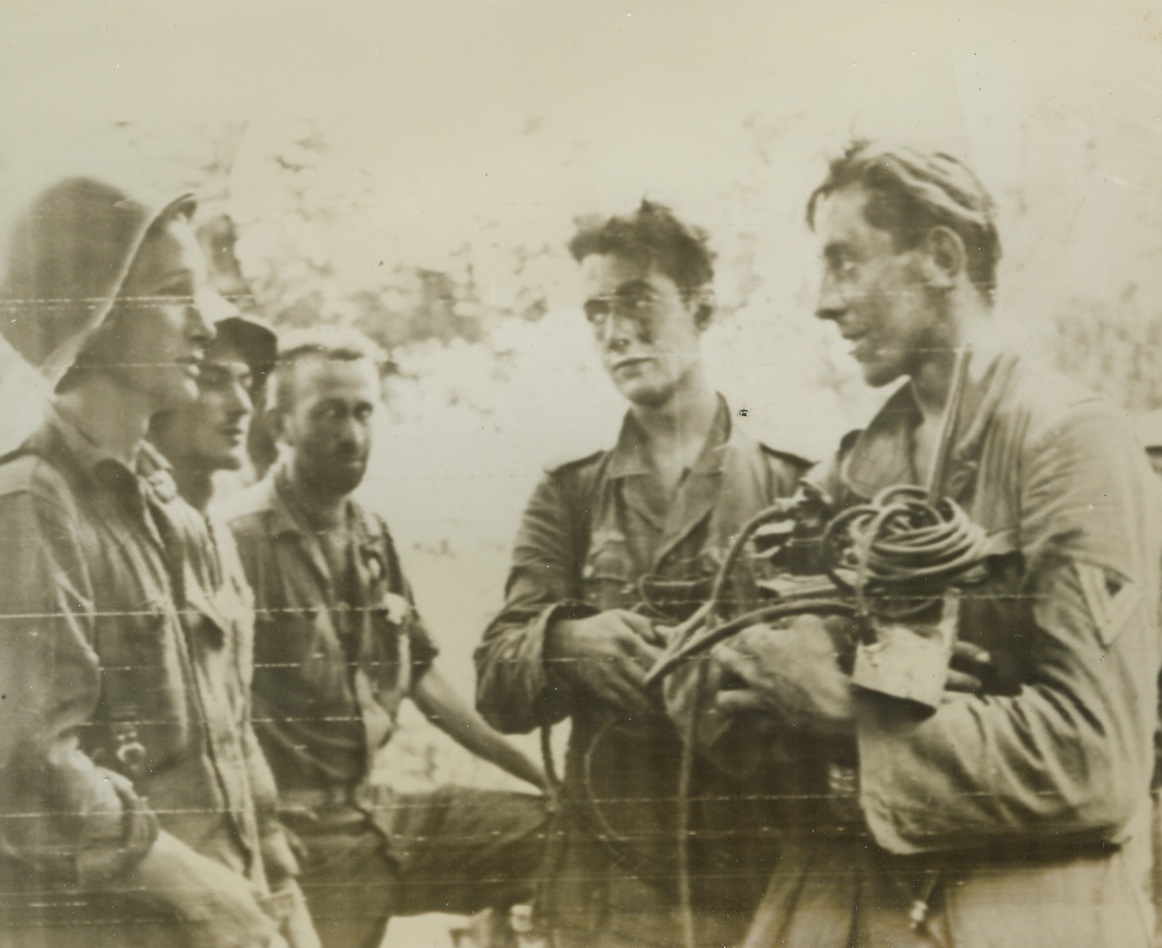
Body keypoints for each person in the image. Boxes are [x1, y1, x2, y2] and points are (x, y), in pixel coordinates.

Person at [701, 142, 1162, 946]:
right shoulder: (854, 470)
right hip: (843, 901)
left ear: (942, 256)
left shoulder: (1069, 441)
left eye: (846, 263)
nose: (824, 302)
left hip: (1020, 913)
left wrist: (847, 707)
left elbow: (1097, 761)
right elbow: (736, 664)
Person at [474, 200, 812, 947]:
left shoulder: (795, 489)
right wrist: (566, 642)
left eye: (637, 303)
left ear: (702, 308)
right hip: (606, 893)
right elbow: (496, 679)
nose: (615, 332)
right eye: (596, 311)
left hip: (755, 882)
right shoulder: (569, 493)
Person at [0, 176, 294, 947]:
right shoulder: (34, 504)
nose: (203, 326)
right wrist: (193, 887)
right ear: (91, 316)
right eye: (174, 294)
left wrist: (283, 900)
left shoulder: (180, 518)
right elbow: (26, 770)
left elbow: (232, 749)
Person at [224, 326, 549, 948]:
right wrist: (260, 833)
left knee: (558, 832)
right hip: (302, 838)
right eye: (328, 414)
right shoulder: (237, 542)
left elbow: (422, 675)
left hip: (379, 813)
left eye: (363, 412)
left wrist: (534, 772)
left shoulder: (371, 534)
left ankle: (492, 930)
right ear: (281, 424)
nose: (352, 434)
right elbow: (210, 717)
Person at [149, 312, 320, 947]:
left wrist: (284, 890)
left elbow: (235, 727)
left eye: (246, 382)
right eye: (214, 380)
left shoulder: (217, 538)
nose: (242, 404)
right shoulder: (98, 529)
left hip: (242, 880)